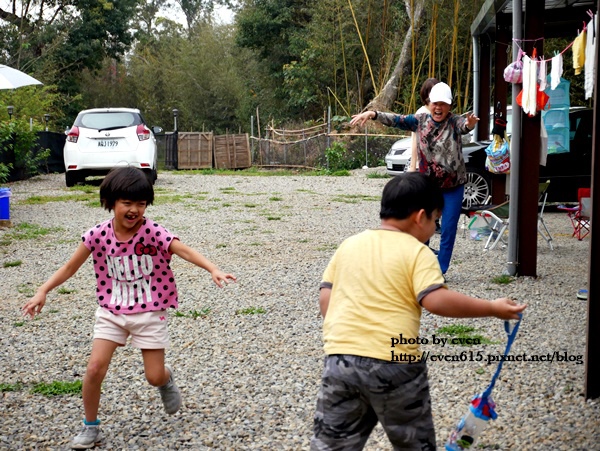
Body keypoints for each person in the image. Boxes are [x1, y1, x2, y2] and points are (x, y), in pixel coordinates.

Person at [22, 166, 237, 450]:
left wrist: (213, 268)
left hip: (150, 311)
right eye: (127, 203)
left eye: (141, 203)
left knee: (154, 376)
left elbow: (182, 249)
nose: (134, 209)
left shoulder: (153, 232)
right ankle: (90, 426)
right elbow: (70, 267)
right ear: (111, 203)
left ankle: (166, 379)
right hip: (111, 311)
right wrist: (42, 290)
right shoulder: (97, 235)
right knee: (95, 368)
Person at [311, 173, 526, 450]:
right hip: (395, 365)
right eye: (436, 220)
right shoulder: (418, 252)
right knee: (413, 441)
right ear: (420, 216)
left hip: (340, 362)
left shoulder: (349, 245)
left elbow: (326, 297)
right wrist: (491, 308)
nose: (435, 227)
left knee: (333, 443)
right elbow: (435, 300)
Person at [350, 82, 478, 276]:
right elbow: (397, 120)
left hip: (453, 186)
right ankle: (420, 265)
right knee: (421, 226)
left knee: (448, 229)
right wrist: (374, 114)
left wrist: (470, 124)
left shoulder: (454, 121)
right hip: (427, 186)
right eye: (435, 103)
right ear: (429, 103)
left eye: (443, 104)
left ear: (449, 106)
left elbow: (464, 126)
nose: (438, 108)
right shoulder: (420, 120)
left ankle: (440, 270)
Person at [408, 77, 439, 172]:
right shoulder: (422, 113)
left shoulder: (438, 113)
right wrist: (412, 167)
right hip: (422, 166)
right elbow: (415, 141)